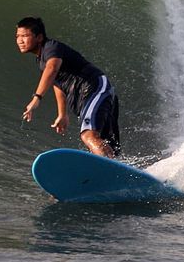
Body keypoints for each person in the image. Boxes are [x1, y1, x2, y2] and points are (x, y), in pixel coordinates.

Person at [15, 17, 120, 158]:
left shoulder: (51, 48)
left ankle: (109, 172)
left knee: (88, 135)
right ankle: (116, 170)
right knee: (102, 141)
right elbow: (58, 83)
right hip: (91, 93)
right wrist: (62, 114)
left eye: (25, 36)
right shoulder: (41, 60)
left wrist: (37, 97)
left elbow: (52, 69)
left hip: (94, 88)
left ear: (39, 37)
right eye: (18, 36)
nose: (20, 40)